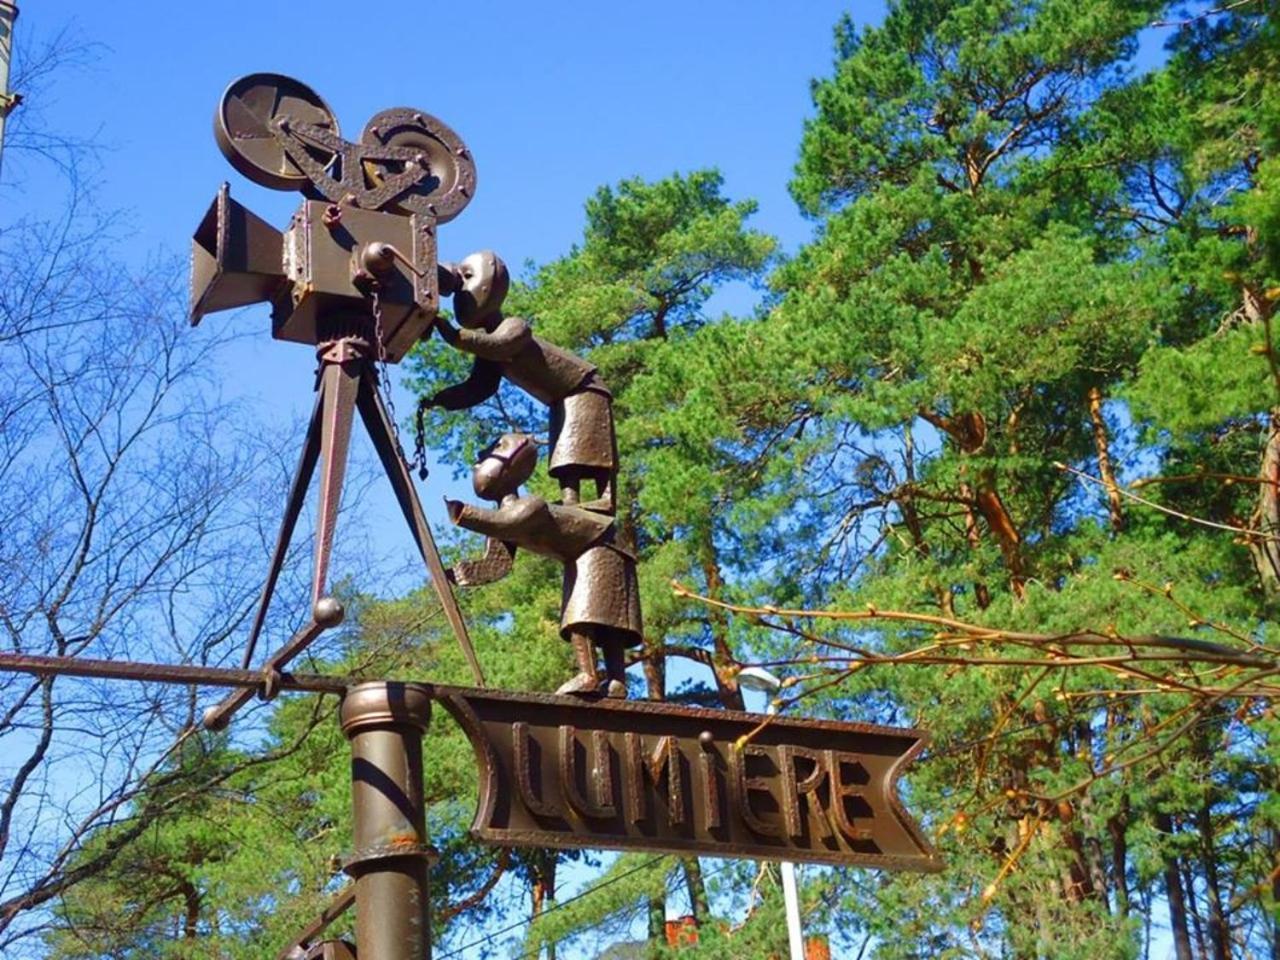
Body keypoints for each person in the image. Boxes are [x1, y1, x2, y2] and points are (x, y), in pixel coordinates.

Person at [444, 433, 641, 698]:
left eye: (485, 457)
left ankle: (592, 676)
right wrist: (461, 574)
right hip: (599, 548)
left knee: (582, 615)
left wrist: (463, 513)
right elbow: (498, 563)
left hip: (601, 545)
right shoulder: (506, 515)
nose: (477, 465)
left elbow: (507, 523)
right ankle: (614, 681)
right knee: (602, 617)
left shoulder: (529, 505)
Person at [427, 251, 617, 514]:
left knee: (591, 448)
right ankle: (572, 502)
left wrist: (452, 334)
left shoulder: (514, 327)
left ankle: (606, 498)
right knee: (565, 451)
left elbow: (497, 345)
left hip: (584, 385)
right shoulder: (490, 352)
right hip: (560, 397)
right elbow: (480, 387)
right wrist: (442, 400)